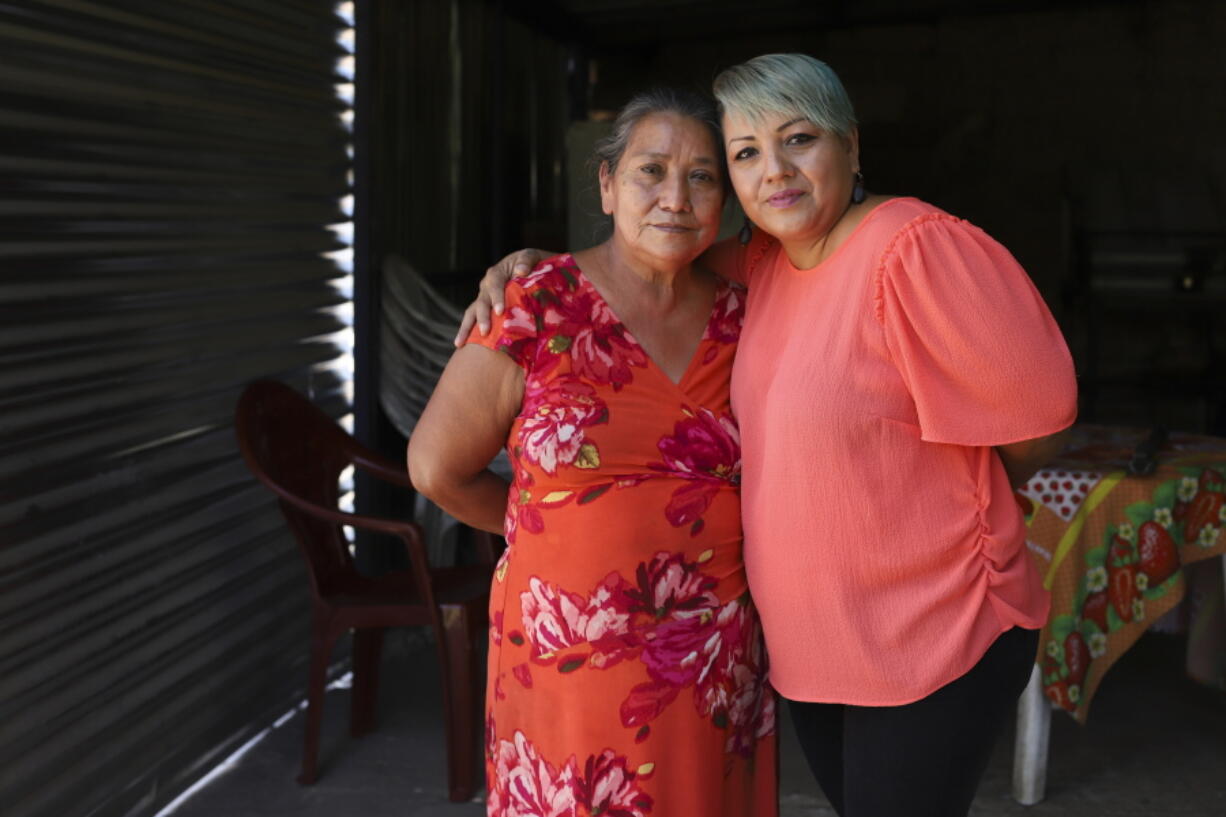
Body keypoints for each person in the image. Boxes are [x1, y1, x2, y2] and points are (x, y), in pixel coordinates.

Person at [460, 54, 1078, 817]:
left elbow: (1038, 425)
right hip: (816, 653)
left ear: (851, 147)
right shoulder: (766, 263)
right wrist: (537, 269)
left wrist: (966, 507)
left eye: (799, 140)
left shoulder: (908, 246)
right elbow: (646, 258)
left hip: (931, 630)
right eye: (747, 154)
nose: (775, 171)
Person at [408, 87, 777, 817]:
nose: (675, 196)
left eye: (702, 176)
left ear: (725, 202)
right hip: (568, 654)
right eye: (651, 171)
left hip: (710, 653)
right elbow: (435, 468)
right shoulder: (537, 305)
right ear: (607, 186)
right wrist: (543, 531)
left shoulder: (751, 312)